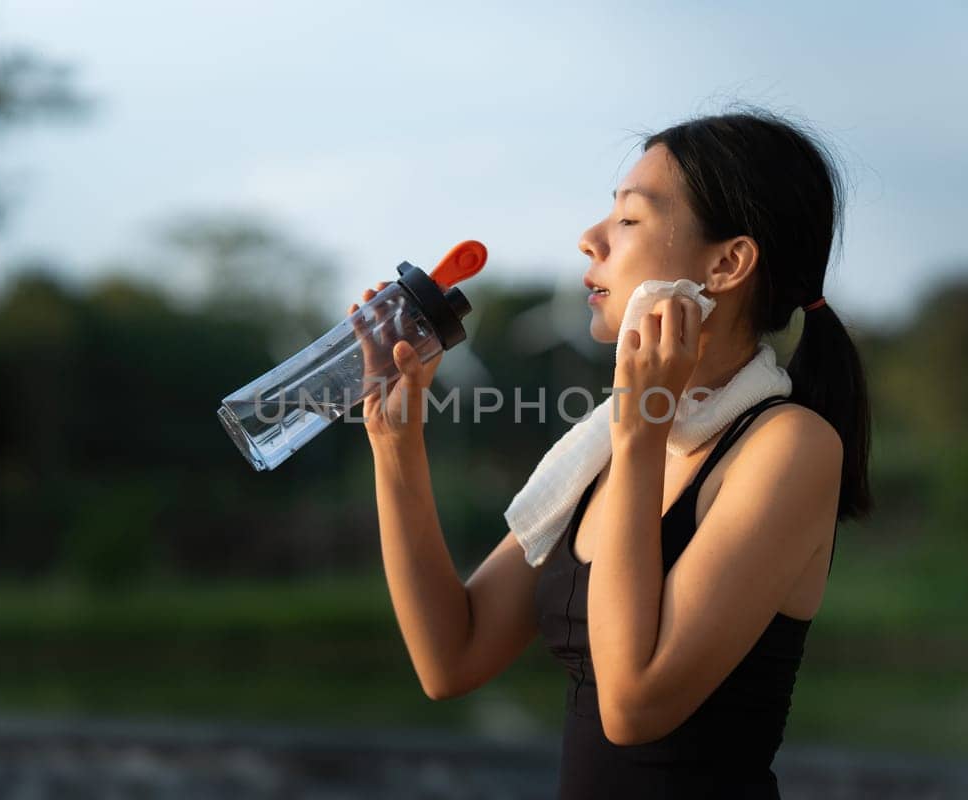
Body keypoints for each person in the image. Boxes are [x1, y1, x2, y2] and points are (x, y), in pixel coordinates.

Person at [350, 109, 874, 798]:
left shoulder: (789, 447)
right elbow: (451, 658)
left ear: (727, 263)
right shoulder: (604, 447)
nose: (589, 240)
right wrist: (395, 445)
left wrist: (641, 427)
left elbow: (632, 706)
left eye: (630, 220)